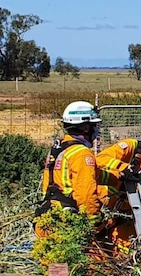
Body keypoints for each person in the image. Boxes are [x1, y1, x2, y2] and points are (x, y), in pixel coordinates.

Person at [34, 101, 108, 235]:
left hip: (47, 217)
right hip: (68, 224)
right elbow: (86, 195)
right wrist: (94, 225)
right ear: (86, 128)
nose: (97, 131)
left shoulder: (57, 150)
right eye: (94, 126)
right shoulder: (82, 154)